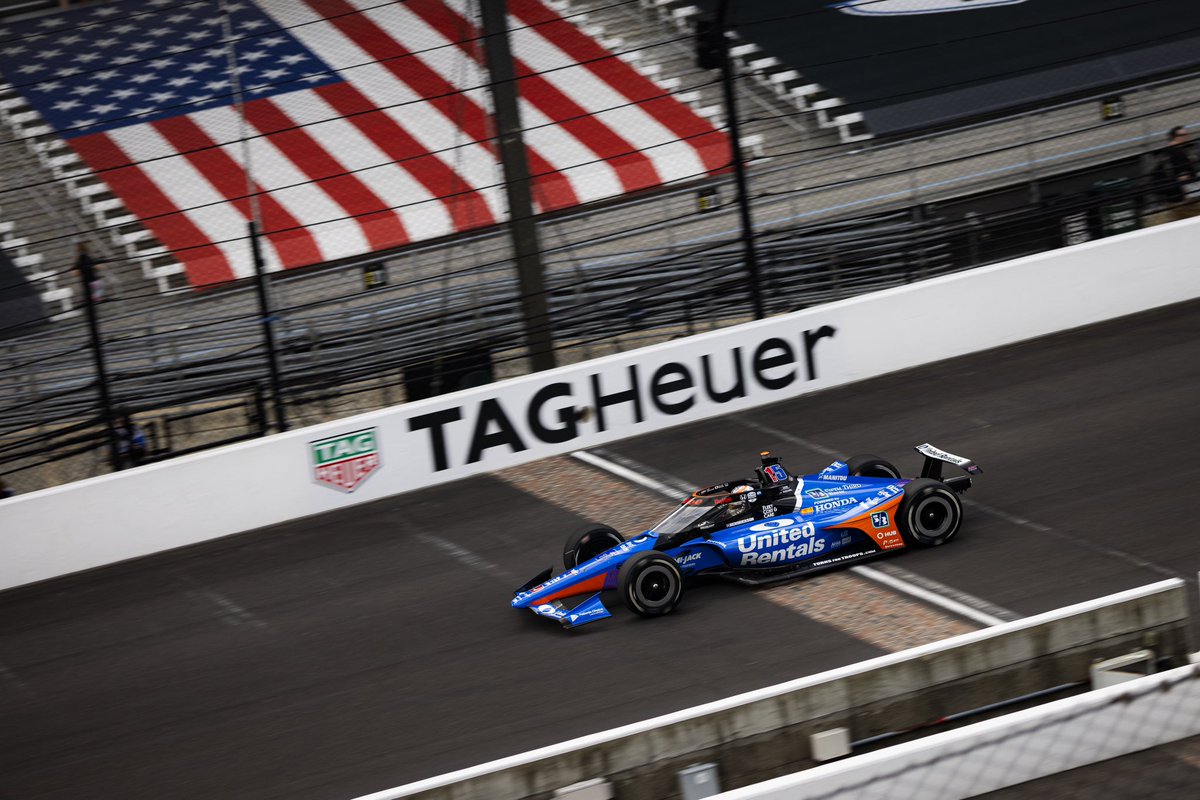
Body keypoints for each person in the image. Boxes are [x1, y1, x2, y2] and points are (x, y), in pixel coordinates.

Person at [1158, 126, 1198, 218]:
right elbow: (1183, 177)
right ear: (1176, 137)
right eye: (1184, 134)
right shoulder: (1179, 153)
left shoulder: (1165, 152)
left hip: (1171, 198)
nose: (1187, 136)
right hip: (1183, 199)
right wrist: (1187, 196)